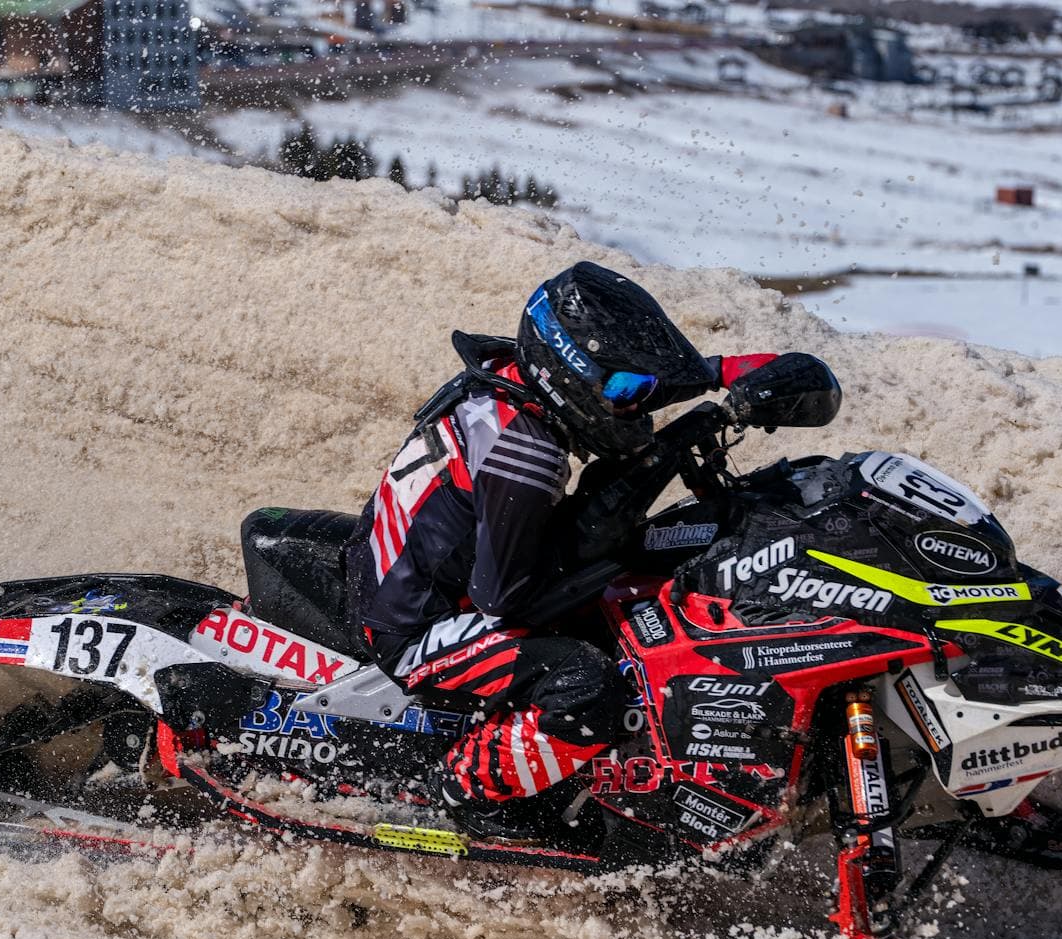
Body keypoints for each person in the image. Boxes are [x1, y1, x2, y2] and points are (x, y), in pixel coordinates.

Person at [344, 261, 839, 843]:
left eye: (638, 389)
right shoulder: (525, 453)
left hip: (410, 575)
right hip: (412, 630)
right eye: (625, 391)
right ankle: (464, 789)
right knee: (590, 687)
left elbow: (647, 378)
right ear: (570, 376)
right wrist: (618, 531)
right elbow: (504, 600)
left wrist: (735, 378)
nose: (637, 403)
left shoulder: (518, 384)